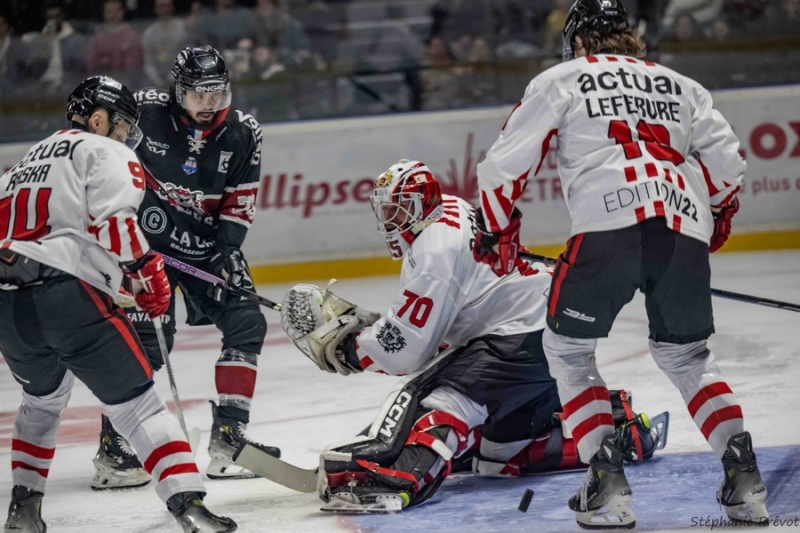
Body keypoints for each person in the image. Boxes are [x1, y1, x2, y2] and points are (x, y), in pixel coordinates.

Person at [471, 0, 767, 528]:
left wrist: (496, 230)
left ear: (579, 42)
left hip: (607, 224)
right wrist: (718, 215)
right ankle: (743, 477)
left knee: (567, 349)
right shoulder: (683, 85)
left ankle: (606, 485)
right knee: (687, 356)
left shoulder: (563, 78)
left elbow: (503, 164)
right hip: (682, 224)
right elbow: (727, 166)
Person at [278, 159, 665, 512]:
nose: (392, 220)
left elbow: (408, 350)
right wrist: (378, 328)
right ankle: (619, 429)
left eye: (400, 209)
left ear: (421, 205)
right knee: (501, 453)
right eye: (387, 210)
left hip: (519, 334)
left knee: (445, 404)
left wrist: (347, 349)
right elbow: (441, 323)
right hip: (547, 325)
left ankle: (403, 480)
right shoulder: (448, 208)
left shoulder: (432, 252)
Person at [0, 75, 236, 533]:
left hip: (7, 309)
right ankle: (190, 508)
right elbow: (115, 224)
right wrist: (148, 275)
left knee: (41, 402)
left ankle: (23, 511)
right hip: (66, 296)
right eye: (123, 125)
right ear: (98, 118)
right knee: (139, 406)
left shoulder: (19, 165)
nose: (127, 136)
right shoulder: (105, 150)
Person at [88, 45, 280, 490]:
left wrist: (229, 251)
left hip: (206, 250)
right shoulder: (144, 113)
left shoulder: (244, 132)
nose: (209, 102)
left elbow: (240, 201)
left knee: (247, 322)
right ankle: (116, 445)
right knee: (149, 342)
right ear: (178, 90)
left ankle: (229, 437)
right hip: (143, 251)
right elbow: (99, 163)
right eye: (198, 94)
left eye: (216, 92)